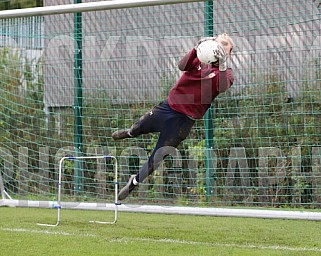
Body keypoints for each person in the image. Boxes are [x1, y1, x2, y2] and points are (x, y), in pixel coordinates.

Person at [112, 33, 235, 200]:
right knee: (138, 127)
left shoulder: (225, 73)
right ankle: (129, 133)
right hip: (168, 108)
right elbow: (182, 66)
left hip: (184, 121)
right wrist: (196, 48)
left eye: (224, 51)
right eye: (217, 47)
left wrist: (221, 65)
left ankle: (133, 182)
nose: (219, 52)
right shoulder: (199, 59)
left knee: (157, 157)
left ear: (228, 54)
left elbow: (222, 87)